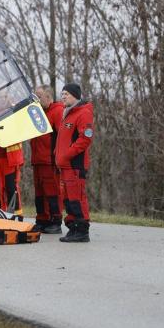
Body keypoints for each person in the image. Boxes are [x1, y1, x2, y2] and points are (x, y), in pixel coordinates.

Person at [54, 83, 94, 243]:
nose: (63, 96)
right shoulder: (67, 113)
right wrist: (57, 154)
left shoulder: (83, 113)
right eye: (62, 94)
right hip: (64, 165)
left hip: (74, 165)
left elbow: (85, 138)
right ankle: (73, 228)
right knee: (68, 198)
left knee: (77, 197)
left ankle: (82, 230)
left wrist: (67, 154)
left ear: (75, 96)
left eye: (67, 94)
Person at [0, 87, 24, 215]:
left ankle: (17, 216)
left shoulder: (13, 111)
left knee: (12, 188)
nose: (4, 99)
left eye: (6, 96)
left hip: (10, 159)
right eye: (1, 97)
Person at [30, 85, 65, 233]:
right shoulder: (38, 112)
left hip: (49, 160)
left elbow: (62, 137)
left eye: (39, 96)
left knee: (52, 191)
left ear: (48, 96)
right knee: (39, 192)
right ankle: (42, 219)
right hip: (38, 159)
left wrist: (58, 158)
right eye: (35, 96)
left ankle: (55, 221)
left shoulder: (57, 111)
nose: (36, 99)